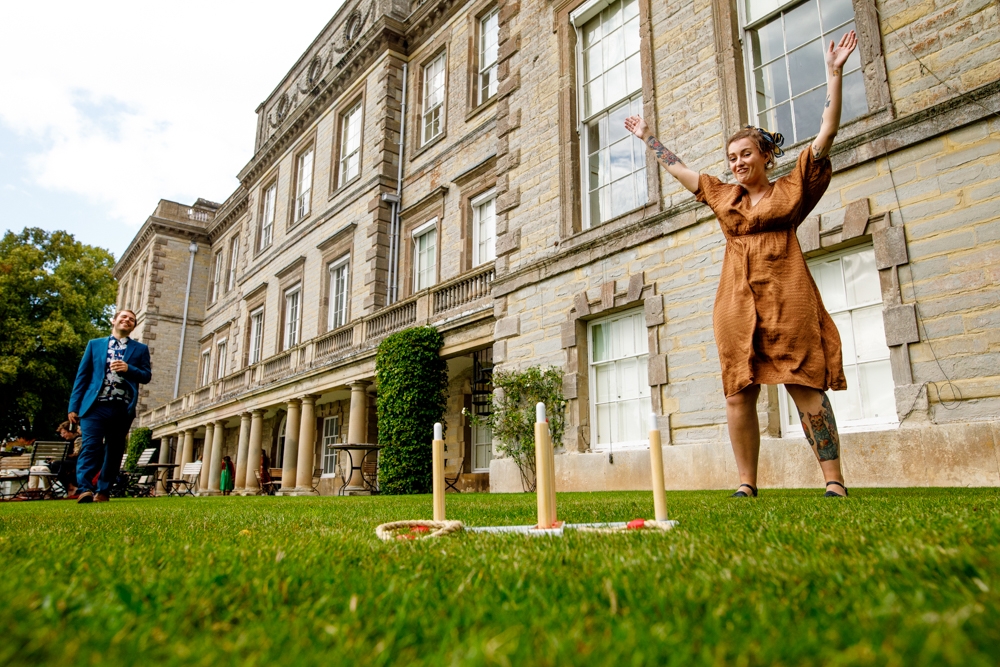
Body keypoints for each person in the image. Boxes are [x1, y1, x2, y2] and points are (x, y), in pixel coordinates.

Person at [625, 31, 858, 498]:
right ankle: (746, 483)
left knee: (804, 384)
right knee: (738, 391)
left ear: (766, 155)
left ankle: (834, 480)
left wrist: (834, 74)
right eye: (731, 157)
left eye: (745, 154)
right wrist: (650, 139)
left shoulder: (793, 187)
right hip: (735, 302)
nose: (737, 163)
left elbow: (827, 132)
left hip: (786, 295)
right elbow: (679, 169)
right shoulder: (722, 195)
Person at [67, 309, 152, 503]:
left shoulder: (140, 349)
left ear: (134, 326)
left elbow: (146, 376)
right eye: (123, 317)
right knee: (90, 447)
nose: (127, 320)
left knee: (114, 450)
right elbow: (83, 376)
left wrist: (129, 368)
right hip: (94, 406)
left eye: (131, 319)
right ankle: (85, 489)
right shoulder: (95, 345)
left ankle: (103, 490)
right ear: (114, 321)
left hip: (121, 407)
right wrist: (74, 406)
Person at [54, 421, 83, 497]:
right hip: (70, 462)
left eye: (64, 433)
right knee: (55, 465)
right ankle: (70, 486)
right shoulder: (68, 441)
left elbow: (76, 454)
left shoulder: (78, 439)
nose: (62, 435)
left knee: (56, 465)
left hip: (77, 461)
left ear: (70, 431)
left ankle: (70, 487)